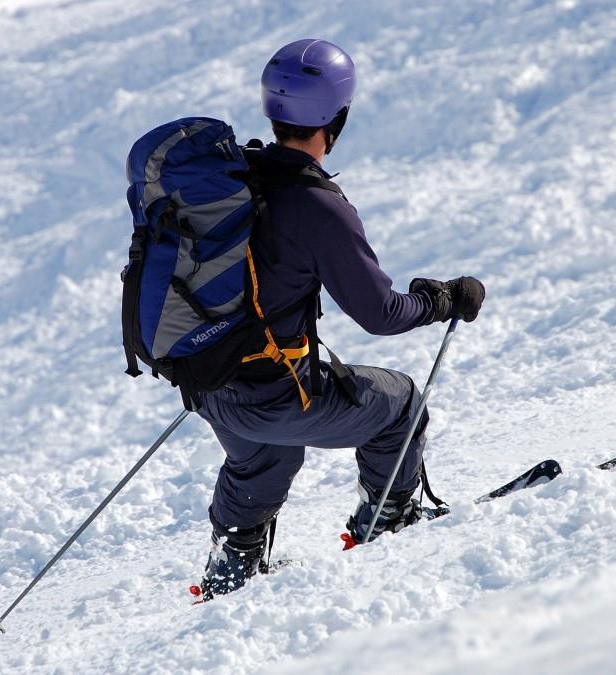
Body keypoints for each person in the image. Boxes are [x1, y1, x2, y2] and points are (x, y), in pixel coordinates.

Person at [196, 38, 485, 596]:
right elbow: (380, 314)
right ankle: (388, 520)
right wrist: (440, 300)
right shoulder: (316, 205)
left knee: (267, 452)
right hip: (268, 392)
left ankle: (232, 564)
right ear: (339, 117)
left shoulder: (235, 182)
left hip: (209, 382)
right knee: (399, 403)